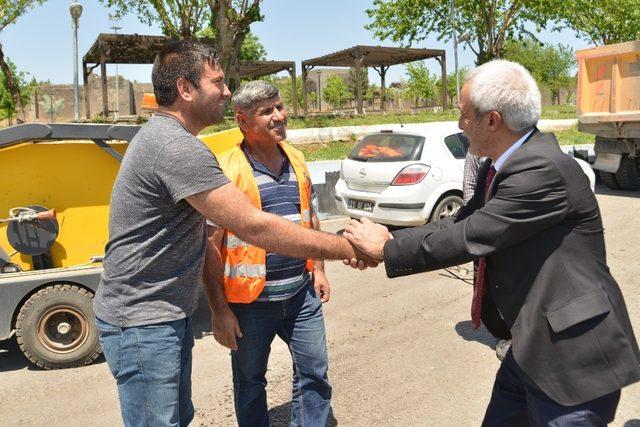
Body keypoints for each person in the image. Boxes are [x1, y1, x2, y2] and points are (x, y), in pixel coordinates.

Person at [343, 60, 640, 425]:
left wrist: (385, 251)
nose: (459, 125)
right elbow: (458, 223)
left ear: (492, 120)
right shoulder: (500, 166)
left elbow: (472, 235)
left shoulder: (542, 169)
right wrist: (389, 238)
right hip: (530, 346)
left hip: (572, 360)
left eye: (464, 115)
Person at [94, 40, 371, 427]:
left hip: (162, 315)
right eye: (218, 82)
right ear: (186, 90)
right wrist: (350, 246)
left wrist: (320, 265)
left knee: (176, 417)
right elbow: (252, 226)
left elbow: (300, 217)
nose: (226, 91)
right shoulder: (176, 148)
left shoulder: (170, 139)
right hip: (144, 322)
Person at [204, 80, 332, 426]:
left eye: (279, 106)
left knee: (314, 373)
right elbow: (211, 245)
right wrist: (219, 310)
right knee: (250, 383)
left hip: (300, 295)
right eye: (267, 111)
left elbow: (310, 217)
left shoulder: (297, 159)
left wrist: (318, 269)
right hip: (249, 305)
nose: (279, 116)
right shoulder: (225, 169)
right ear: (243, 120)